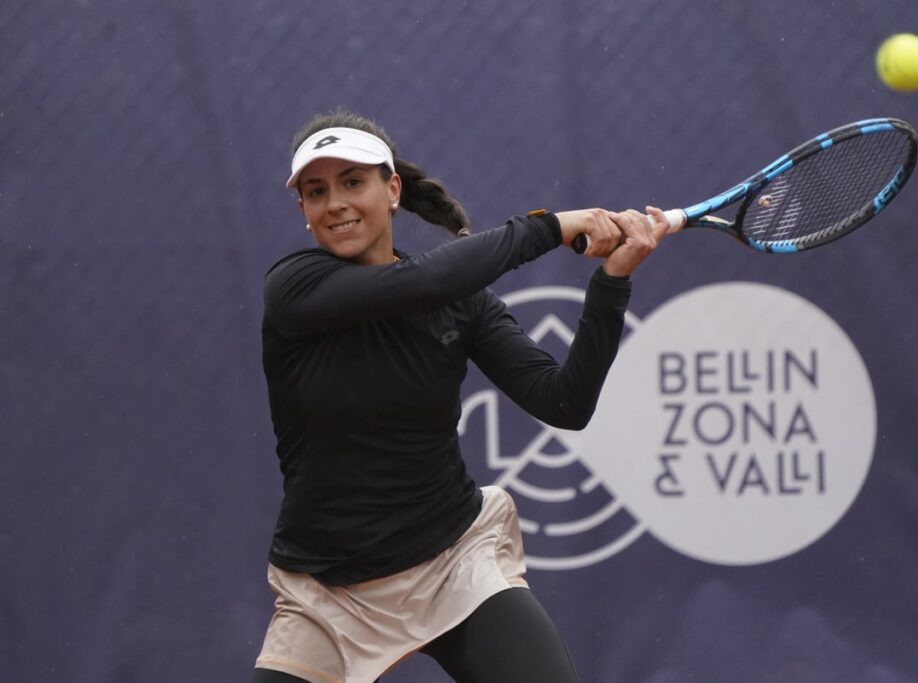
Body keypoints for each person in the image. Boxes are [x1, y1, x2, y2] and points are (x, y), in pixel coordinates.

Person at [253, 108, 671, 683]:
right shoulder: (292, 288)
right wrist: (552, 226)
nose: (336, 203)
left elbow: (564, 403)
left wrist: (612, 283)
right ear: (303, 210)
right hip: (326, 596)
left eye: (354, 182)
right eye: (316, 191)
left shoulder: (463, 304)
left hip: (453, 565)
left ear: (392, 189)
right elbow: (425, 282)